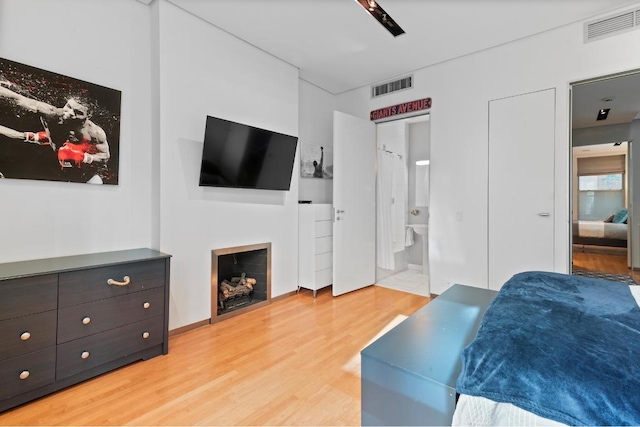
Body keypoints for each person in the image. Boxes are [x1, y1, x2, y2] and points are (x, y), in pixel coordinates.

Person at [0, 82, 110, 184]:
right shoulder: (51, 114)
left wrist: (85, 158)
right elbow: (18, 99)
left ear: (88, 115)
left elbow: (105, 156)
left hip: (87, 176)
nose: (69, 113)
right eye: (69, 107)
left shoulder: (94, 132)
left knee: (96, 182)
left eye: (78, 112)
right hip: (59, 171)